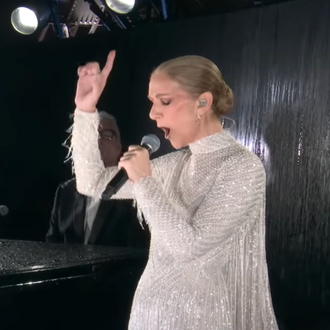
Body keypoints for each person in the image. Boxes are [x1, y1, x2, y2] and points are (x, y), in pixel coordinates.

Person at [70, 51, 278, 329]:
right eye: (152, 102)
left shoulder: (241, 167)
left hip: (199, 319)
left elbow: (190, 247)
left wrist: (145, 182)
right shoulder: (175, 163)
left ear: (203, 102)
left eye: (165, 101)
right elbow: (92, 183)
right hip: (148, 314)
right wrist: (85, 111)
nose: (153, 113)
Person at [46, 111, 150, 247]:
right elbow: (52, 244)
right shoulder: (66, 190)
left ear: (120, 147)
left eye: (106, 135)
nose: (96, 141)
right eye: (89, 135)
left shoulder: (136, 189)